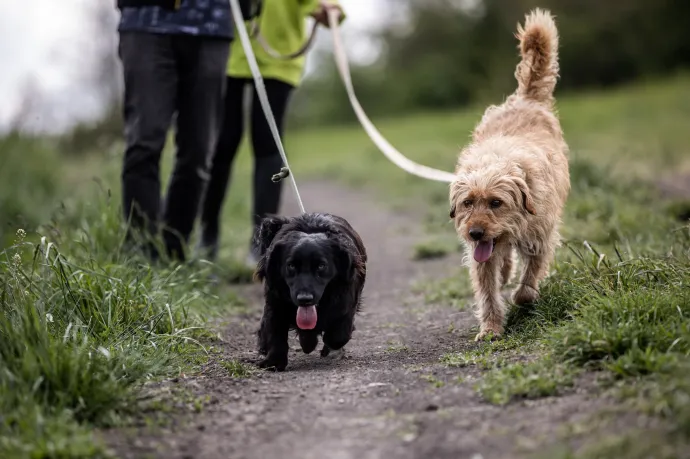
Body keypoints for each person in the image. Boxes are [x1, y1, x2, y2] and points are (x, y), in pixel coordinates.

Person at [198, 0, 345, 265]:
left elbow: (324, 6)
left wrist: (328, 8)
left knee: (268, 145)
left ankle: (262, 242)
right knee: (222, 143)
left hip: (279, 52)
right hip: (227, 50)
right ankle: (207, 237)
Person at [116, 0, 258, 261]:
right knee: (143, 143)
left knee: (199, 152)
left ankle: (174, 252)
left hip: (211, 28)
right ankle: (141, 255)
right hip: (145, 23)